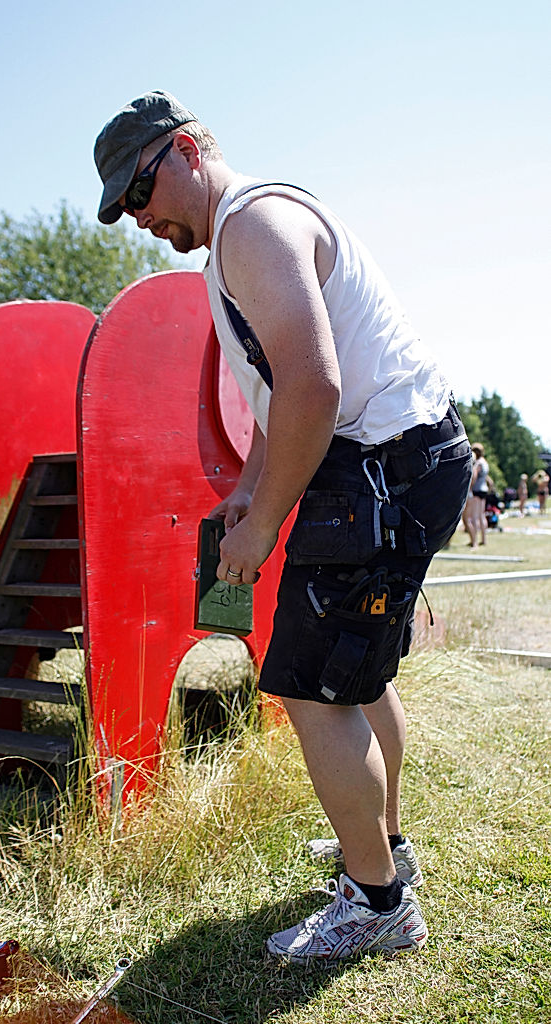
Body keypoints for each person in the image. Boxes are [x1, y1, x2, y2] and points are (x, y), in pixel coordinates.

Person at [94, 91, 472, 964]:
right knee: (358, 676)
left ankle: (377, 906)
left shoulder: (254, 226)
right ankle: (379, 848)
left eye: (140, 191)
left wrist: (259, 530)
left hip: (386, 458)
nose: (138, 217)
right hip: (393, 456)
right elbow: (276, 400)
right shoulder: (228, 249)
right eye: (125, 208)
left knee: (308, 687)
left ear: (185, 148)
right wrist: (250, 488)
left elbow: (316, 387)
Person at [463, 442, 489, 546]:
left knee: (474, 516)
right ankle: (483, 538)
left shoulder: (477, 463)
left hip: (476, 490)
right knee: (481, 515)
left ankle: (475, 541)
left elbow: (474, 476)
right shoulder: (485, 462)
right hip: (484, 489)